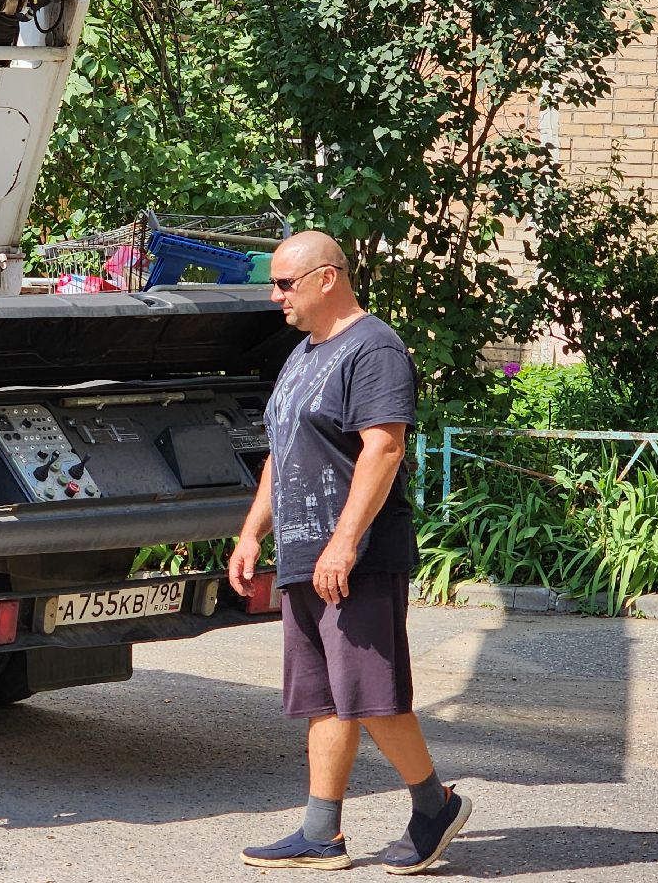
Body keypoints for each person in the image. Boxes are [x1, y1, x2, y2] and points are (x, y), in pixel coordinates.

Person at [228, 230, 471, 875]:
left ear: (327, 278)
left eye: (285, 284)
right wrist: (253, 531)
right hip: (305, 551)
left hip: (356, 557)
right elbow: (281, 452)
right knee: (324, 697)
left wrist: (344, 541)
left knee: (370, 693)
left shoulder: (375, 349)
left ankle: (433, 805)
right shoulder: (304, 353)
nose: (275, 296)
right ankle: (321, 832)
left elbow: (383, 449)